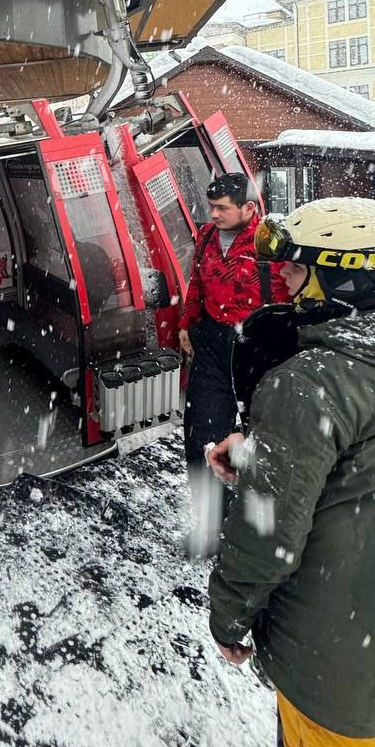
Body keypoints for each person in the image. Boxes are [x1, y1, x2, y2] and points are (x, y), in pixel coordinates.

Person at [206, 198, 375, 745]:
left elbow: (267, 533)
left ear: (341, 282)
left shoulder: (308, 385)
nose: (284, 278)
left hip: (340, 678)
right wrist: (263, 447)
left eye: (299, 268)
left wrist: (229, 619)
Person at [178, 172, 290, 553]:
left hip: (256, 348)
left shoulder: (271, 245)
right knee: (200, 438)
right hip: (212, 344)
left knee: (261, 443)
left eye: (222, 208)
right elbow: (196, 283)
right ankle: (212, 526)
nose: (213, 214)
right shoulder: (208, 238)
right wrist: (187, 325)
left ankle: (259, 532)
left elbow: (293, 296)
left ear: (249, 208)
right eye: (211, 207)